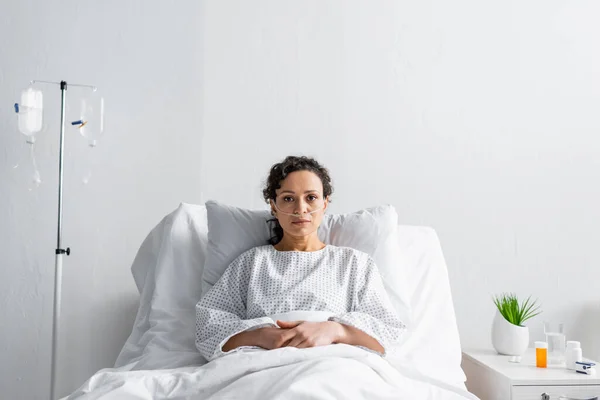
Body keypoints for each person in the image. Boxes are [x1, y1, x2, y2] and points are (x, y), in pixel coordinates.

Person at [195, 156, 405, 362]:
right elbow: (208, 328)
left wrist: (335, 330)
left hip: (333, 363)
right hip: (263, 363)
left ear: (325, 203)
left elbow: (389, 333)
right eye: (288, 198)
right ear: (273, 206)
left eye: (311, 197)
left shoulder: (354, 264)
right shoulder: (251, 263)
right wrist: (260, 336)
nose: (300, 209)